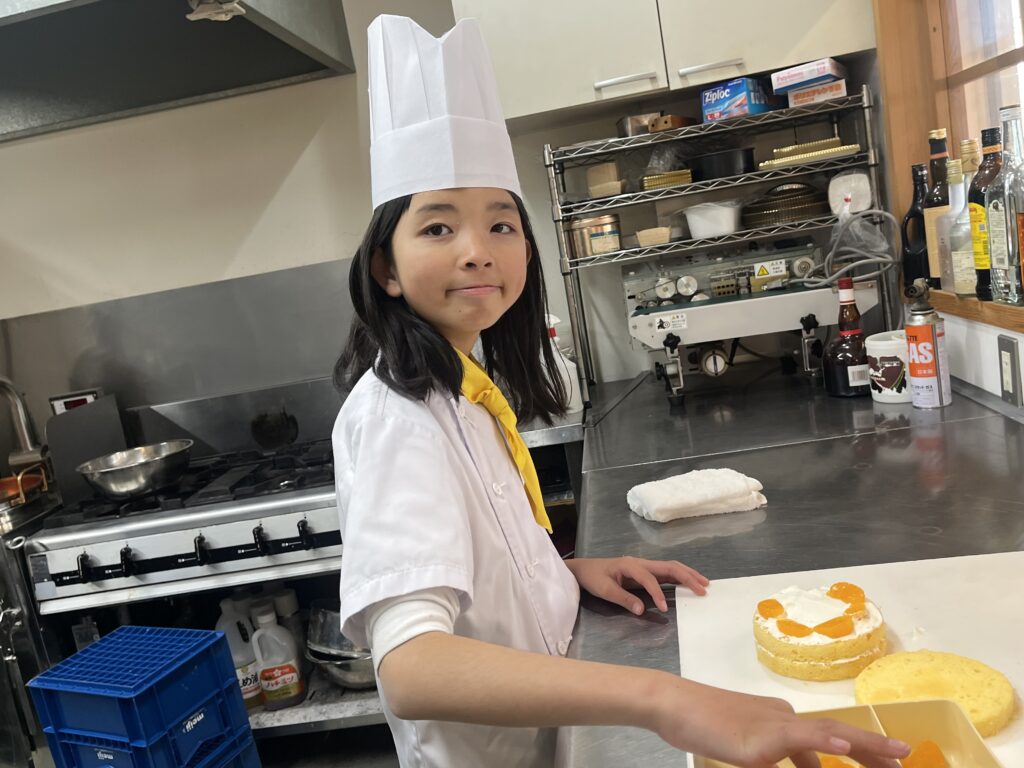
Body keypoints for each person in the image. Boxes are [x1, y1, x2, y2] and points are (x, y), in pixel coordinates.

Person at [331, 14, 911, 768]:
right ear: (385, 267)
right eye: (438, 229)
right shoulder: (395, 419)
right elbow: (411, 668)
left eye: (501, 225)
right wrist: (665, 699)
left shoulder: (464, 387)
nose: (477, 251)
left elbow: (479, 572)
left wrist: (562, 579)